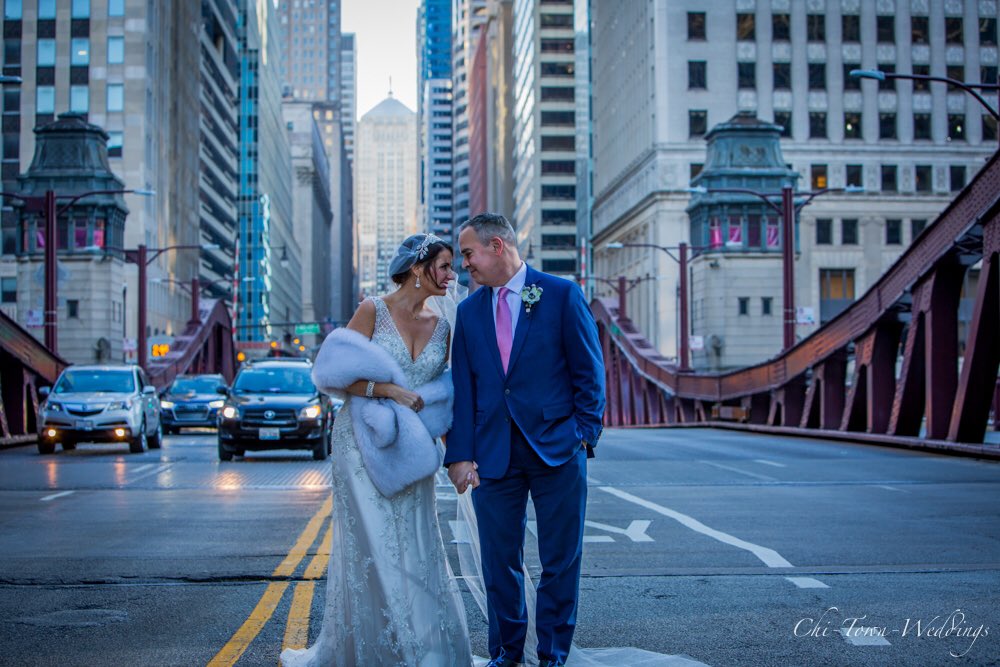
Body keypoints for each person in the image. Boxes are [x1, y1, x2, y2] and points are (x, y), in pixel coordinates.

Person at [280, 233, 473, 667]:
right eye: (444, 267)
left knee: (418, 541)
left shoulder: (443, 327)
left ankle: (426, 649)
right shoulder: (372, 310)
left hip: (413, 450)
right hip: (360, 444)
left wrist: (458, 455)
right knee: (374, 545)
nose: (451, 275)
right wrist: (386, 389)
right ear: (419, 269)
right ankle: (386, 649)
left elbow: (443, 396)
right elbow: (331, 375)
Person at [445, 213, 606, 667]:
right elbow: (465, 388)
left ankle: (553, 654)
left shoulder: (560, 294)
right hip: (494, 454)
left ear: (498, 246)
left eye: (469, 253)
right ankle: (506, 653)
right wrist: (460, 455)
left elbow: (590, 373)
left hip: (558, 449)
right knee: (500, 562)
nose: (465, 265)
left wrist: (583, 435)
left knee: (561, 560)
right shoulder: (468, 312)